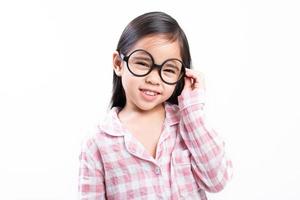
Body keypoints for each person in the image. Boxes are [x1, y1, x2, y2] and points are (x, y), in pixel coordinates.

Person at [78, 11, 232, 199]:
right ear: (119, 63)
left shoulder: (188, 124)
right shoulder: (98, 142)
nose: (153, 79)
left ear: (181, 76)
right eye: (143, 63)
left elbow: (217, 181)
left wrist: (192, 110)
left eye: (168, 69)